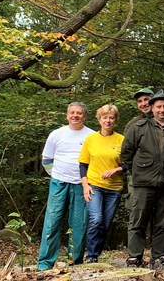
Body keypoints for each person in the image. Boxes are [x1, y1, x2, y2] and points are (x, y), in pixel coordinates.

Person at [121, 90, 164, 269]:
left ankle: (158, 258)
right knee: (138, 221)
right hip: (143, 182)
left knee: (163, 224)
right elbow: (127, 153)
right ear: (152, 108)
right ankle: (134, 257)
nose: (162, 110)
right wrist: (138, 171)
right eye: (158, 106)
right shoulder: (139, 128)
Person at [38, 102, 95, 270]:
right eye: (72, 112)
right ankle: (45, 263)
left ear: (85, 116)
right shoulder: (57, 134)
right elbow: (47, 159)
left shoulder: (92, 136)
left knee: (79, 223)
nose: (75, 115)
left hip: (82, 185)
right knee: (52, 221)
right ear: (67, 115)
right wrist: (56, 175)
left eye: (79, 113)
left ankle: (75, 262)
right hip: (59, 183)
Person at [78, 104, 124, 263]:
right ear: (99, 119)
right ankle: (90, 256)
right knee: (96, 219)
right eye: (105, 117)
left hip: (114, 188)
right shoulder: (91, 139)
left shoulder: (121, 140)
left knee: (105, 223)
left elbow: (129, 163)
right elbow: (83, 164)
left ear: (116, 120)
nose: (108, 120)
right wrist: (85, 186)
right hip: (94, 185)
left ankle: (95, 254)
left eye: (111, 117)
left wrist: (116, 170)